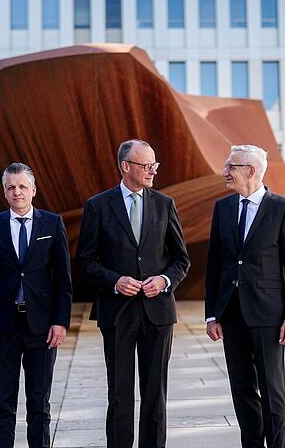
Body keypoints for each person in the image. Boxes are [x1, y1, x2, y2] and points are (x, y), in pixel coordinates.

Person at [76, 139, 190, 448]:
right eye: (146, 165)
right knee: (120, 393)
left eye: (155, 164)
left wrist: (165, 281)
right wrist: (115, 281)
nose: (153, 170)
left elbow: (181, 259)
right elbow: (85, 261)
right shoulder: (98, 205)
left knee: (156, 394)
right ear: (126, 167)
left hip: (158, 313)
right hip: (117, 312)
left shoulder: (166, 204)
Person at [204, 144, 285, 448]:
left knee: (272, 393)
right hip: (232, 315)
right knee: (243, 392)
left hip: (269, 318)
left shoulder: (283, 208)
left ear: (250, 170)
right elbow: (215, 265)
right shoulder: (222, 208)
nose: (225, 173)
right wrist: (213, 314)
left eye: (230, 167)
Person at [0, 163, 73, 448]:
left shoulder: (52, 223)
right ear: (4, 193)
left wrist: (60, 321)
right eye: (11, 187)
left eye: (22, 186)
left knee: (39, 404)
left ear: (33, 190)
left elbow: (63, 278)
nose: (17, 192)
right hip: (3, 328)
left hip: (41, 328)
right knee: (3, 404)